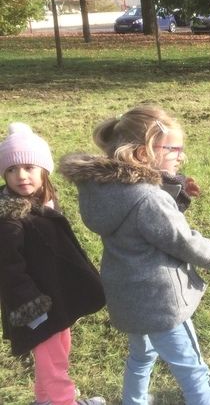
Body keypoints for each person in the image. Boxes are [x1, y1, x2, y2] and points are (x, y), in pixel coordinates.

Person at [60, 104, 210, 405]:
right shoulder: (149, 200)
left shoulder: (106, 188)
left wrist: (177, 186)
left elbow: (149, 221)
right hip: (162, 305)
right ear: (144, 154)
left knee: (141, 357)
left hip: (128, 299)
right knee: (194, 370)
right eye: (174, 149)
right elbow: (182, 240)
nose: (182, 156)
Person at [0, 122, 106, 405]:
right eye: (11, 169)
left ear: (43, 169)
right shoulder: (10, 219)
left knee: (59, 350)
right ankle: (63, 401)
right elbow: (8, 269)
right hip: (37, 306)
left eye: (28, 167)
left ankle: (45, 400)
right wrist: (32, 308)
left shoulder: (42, 203)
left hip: (55, 296)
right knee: (53, 361)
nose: (21, 176)